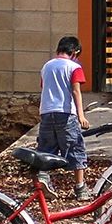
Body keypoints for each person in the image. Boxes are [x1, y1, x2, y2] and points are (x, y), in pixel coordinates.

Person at [37, 36, 89, 194]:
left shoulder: (46, 66)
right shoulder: (73, 67)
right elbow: (75, 91)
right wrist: (81, 115)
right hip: (66, 113)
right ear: (75, 52)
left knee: (45, 147)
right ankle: (80, 188)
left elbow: (43, 87)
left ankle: (43, 177)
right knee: (75, 147)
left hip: (46, 112)